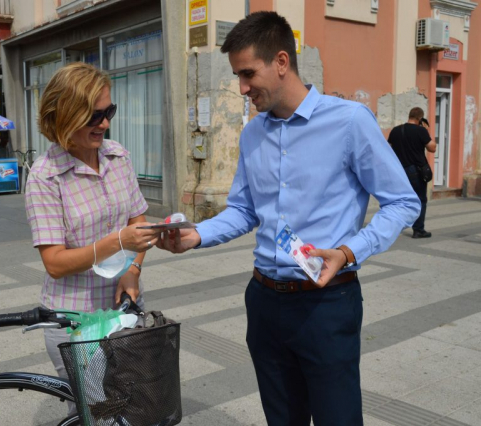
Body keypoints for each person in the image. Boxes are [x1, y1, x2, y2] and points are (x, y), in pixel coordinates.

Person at [157, 11, 420, 426]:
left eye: (248, 74)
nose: (242, 88)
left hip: (326, 302)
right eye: (237, 77)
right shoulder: (252, 133)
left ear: (282, 62)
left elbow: (403, 202)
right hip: (264, 301)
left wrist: (351, 251)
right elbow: (245, 210)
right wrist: (196, 235)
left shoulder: (349, 122)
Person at [24, 62, 162, 416]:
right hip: (74, 323)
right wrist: (118, 241)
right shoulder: (45, 177)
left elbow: (138, 221)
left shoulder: (118, 156)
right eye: (94, 116)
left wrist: (133, 271)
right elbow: (54, 262)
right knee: (94, 414)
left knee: (134, 407)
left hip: (123, 311)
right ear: (65, 116)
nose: (105, 124)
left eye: (109, 111)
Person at [388, 107, 436, 239]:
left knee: (399, 200)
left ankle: (392, 228)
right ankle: (418, 230)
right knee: (420, 199)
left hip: (399, 170)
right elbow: (432, 148)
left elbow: (389, 149)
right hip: (416, 171)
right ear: (420, 119)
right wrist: (426, 131)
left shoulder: (396, 130)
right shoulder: (421, 131)